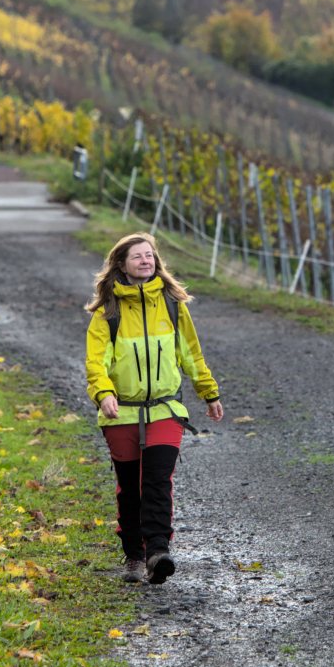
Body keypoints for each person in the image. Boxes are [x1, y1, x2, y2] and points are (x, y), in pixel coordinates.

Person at [84, 233, 223, 584]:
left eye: (150, 255)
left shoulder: (173, 304)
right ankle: (134, 554)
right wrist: (103, 394)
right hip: (122, 413)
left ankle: (158, 551)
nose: (146, 261)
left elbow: (190, 354)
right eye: (137, 256)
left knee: (158, 481)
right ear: (121, 265)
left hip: (164, 409)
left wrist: (208, 392)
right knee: (130, 488)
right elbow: (95, 363)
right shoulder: (107, 313)